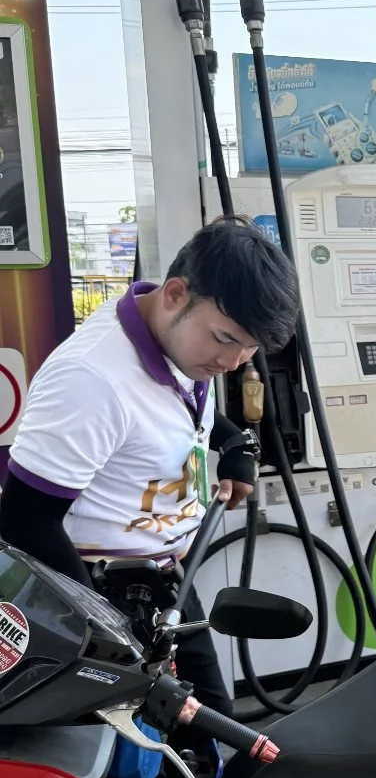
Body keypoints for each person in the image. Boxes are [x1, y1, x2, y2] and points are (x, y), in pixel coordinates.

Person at [0, 216, 299, 719]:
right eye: (226, 338)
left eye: (251, 348)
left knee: (210, 750)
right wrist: (110, 641)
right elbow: (25, 522)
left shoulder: (182, 348)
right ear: (176, 294)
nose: (235, 361)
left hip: (162, 583)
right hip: (90, 599)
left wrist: (232, 447)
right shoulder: (92, 380)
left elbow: (182, 416)